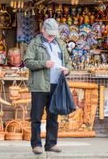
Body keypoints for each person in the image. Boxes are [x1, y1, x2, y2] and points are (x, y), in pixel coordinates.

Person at [24, 18, 72, 155]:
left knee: (53, 117)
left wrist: (67, 70)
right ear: (43, 30)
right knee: (36, 117)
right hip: (39, 86)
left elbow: (69, 62)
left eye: (53, 34)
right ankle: (36, 144)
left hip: (56, 85)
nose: (51, 36)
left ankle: (51, 143)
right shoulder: (35, 43)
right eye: (49, 33)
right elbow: (27, 61)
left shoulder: (61, 44)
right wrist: (43, 64)